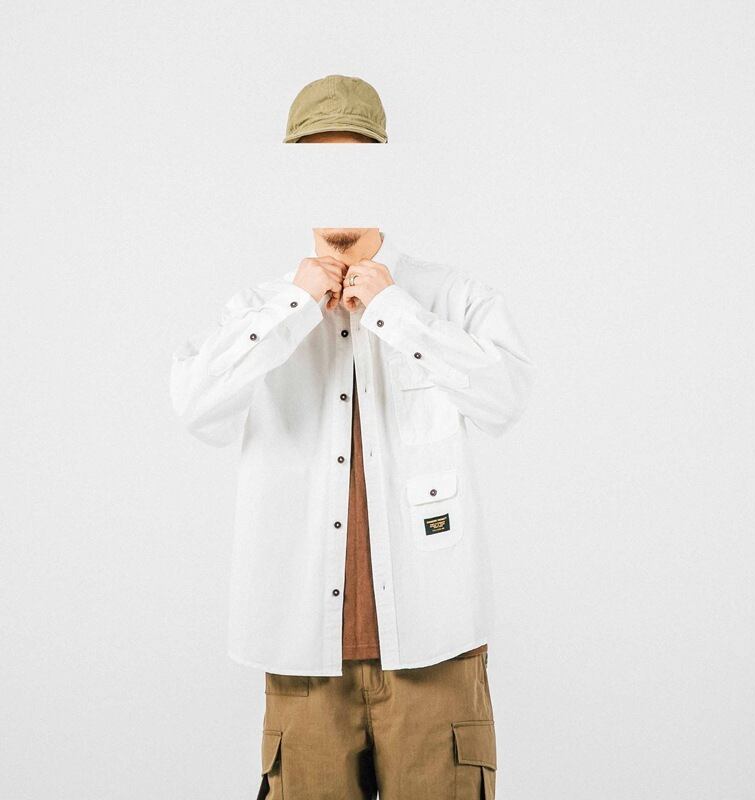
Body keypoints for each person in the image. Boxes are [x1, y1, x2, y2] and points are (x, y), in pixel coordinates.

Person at [169, 74, 535, 799]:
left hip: (436, 650)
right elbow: (196, 407)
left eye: (354, 164)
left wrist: (396, 311)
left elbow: (505, 400)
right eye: (316, 166)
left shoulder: (449, 296)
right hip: (302, 657)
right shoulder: (259, 307)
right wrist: (294, 306)